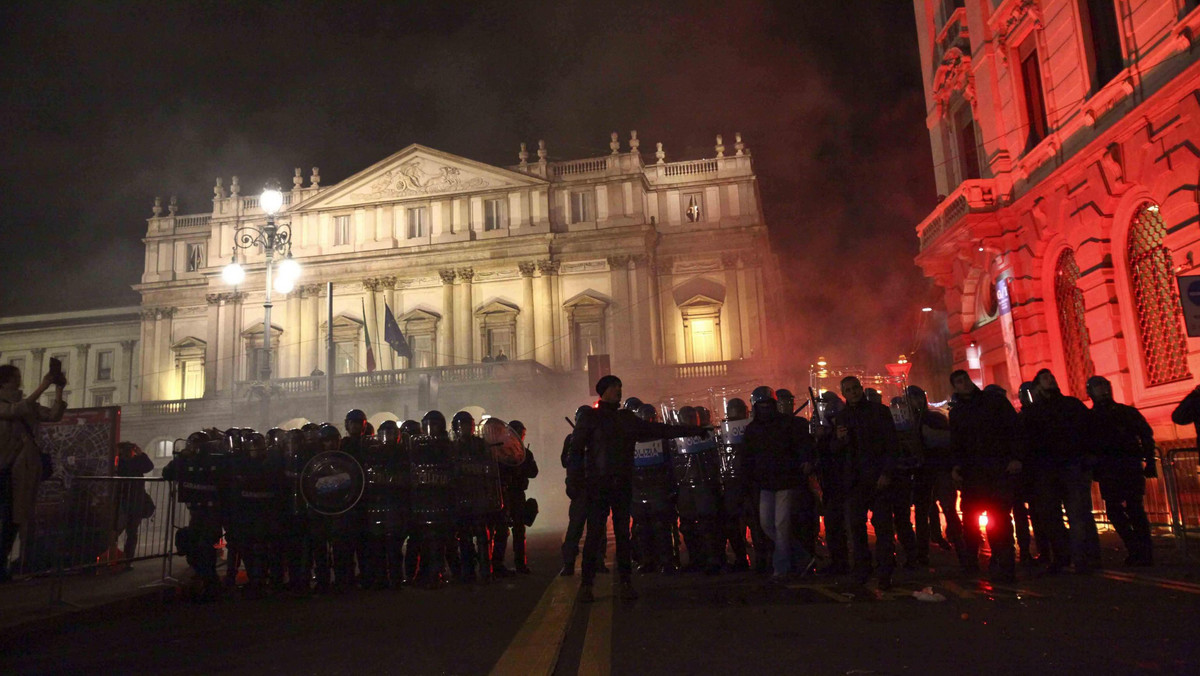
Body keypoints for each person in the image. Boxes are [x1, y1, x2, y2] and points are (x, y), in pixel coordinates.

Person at [569, 374, 707, 602]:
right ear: (603, 390)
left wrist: (693, 431)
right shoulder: (590, 418)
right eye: (614, 387)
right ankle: (586, 584)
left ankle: (625, 582)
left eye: (620, 386)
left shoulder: (626, 419)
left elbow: (661, 431)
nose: (619, 391)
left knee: (623, 535)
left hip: (622, 484)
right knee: (594, 535)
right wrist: (574, 482)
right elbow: (575, 452)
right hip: (599, 485)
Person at [1021, 369, 1099, 574]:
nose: (1051, 380)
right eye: (1045, 378)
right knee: (1053, 518)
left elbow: (1089, 430)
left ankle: (1082, 559)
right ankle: (1064, 557)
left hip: (1070, 466)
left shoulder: (1071, 405)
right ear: (1037, 386)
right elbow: (1026, 443)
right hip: (1046, 471)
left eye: (1052, 377)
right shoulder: (1033, 412)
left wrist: (1087, 455)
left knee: (1077, 515)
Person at [949, 370, 1020, 583]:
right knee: (971, 520)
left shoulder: (994, 402)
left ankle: (1004, 563)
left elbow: (1014, 430)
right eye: (959, 382)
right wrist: (956, 466)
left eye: (965, 380)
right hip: (973, 474)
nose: (964, 384)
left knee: (1000, 519)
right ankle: (974, 561)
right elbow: (957, 443)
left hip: (997, 470)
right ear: (955, 387)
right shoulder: (959, 412)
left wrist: (1015, 457)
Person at [0, 364, 66, 583]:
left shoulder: (26, 404)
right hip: (5, 465)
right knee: (8, 517)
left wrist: (58, 389)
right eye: (15, 377)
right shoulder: (10, 404)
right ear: (4, 381)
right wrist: (44, 384)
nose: (19, 380)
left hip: (23, 467)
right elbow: (14, 411)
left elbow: (54, 415)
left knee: (16, 518)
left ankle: (7, 562)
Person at [832, 377, 900, 589]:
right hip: (855, 481)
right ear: (844, 393)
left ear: (861, 389)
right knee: (856, 528)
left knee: (883, 528)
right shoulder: (842, 417)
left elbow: (891, 444)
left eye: (855, 389)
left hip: (877, 477)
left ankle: (884, 571)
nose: (853, 393)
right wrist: (839, 439)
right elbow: (835, 451)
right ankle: (862, 568)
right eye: (849, 390)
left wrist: (887, 473)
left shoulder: (879, 412)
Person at [744, 386, 815, 581]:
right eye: (762, 405)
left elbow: (803, 445)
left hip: (785, 481)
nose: (765, 408)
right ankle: (802, 557)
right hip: (766, 484)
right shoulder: (753, 429)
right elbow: (748, 457)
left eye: (768, 405)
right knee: (768, 525)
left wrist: (805, 460)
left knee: (781, 526)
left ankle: (781, 569)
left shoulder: (788, 424)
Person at [1087, 375, 1157, 566]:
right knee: (1116, 511)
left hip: (1128, 466)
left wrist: (1150, 461)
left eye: (1104, 386)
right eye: (1098, 387)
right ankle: (1136, 548)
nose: (1102, 390)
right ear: (1091, 392)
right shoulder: (1091, 418)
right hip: (1110, 469)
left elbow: (1145, 436)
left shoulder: (1126, 412)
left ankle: (1143, 550)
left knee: (1135, 509)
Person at [163, 430, 227, 601]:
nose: (193, 449)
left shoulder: (217, 461)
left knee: (205, 545)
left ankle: (211, 584)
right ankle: (204, 581)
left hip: (212, 511)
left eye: (196, 446)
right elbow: (166, 473)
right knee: (192, 543)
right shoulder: (186, 461)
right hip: (197, 511)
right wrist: (180, 458)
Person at [906, 386, 959, 567]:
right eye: (912, 398)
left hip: (939, 469)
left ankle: (962, 550)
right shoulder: (907, 421)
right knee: (923, 513)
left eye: (918, 397)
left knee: (948, 509)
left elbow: (949, 441)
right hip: (922, 471)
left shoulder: (934, 417)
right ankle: (923, 553)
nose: (917, 402)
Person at [493, 420, 538, 576]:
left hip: (517, 493)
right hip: (504, 492)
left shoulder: (524, 453)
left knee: (518, 528)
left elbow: (533, 472)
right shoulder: (499, 451)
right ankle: (497, 565)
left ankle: (519, 564)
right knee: (502, 529)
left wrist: (522, 463)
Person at [110, 441, 155, 568]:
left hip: (132, 501)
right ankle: (116, 557)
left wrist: (141, 454)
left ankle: (126, 560)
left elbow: (149, 467)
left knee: (130, 531)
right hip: (126, 501)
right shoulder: (119, 462)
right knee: (120, 530)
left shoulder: (134, 461)